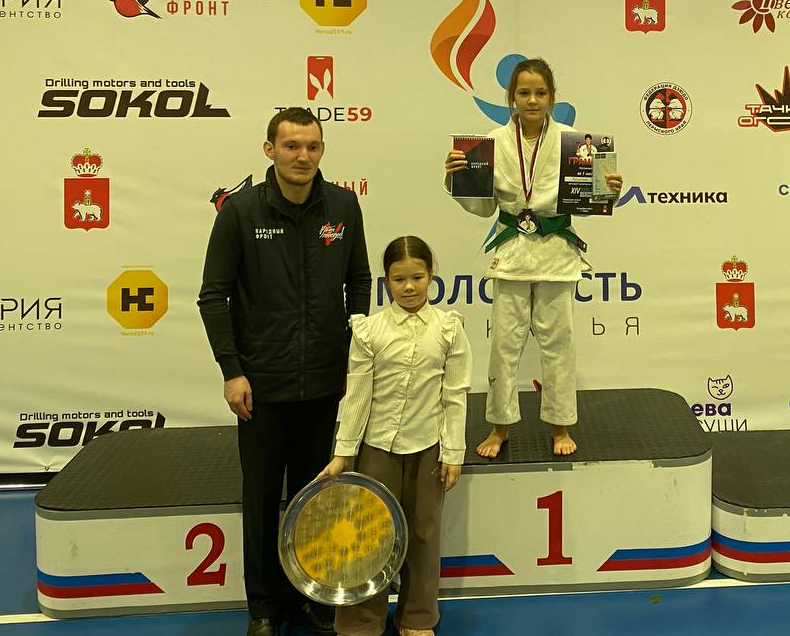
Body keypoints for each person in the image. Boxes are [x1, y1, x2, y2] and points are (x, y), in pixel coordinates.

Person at [198, 107, 371, 636]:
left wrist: (354, 353)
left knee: (316, 497)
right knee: (261, 500)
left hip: (323, 383)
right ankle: (264, 608)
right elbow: (213, 296)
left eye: (312, 146)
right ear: (269, 149)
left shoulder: (343, 205)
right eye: (292, 146)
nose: (302, 156)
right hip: (261, 386)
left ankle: (315, 598)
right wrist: (232, 370)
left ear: (322, 150)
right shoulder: (240, 211)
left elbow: (360, 281)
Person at [444, 58, 621, 458]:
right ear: (512, 97)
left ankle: (560, 425)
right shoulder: (492, 142)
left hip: (556, 254)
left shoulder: (576, 143)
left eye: (540, 93)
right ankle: (499, 427)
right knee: (504, 346)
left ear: (552, 97)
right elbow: (483, 207)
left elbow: (590, 200)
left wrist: (608, 189)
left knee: (560, 345)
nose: (532, 100)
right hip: (512, 253)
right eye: (524, 93)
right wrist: (456, 176)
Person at [320, 235, 471, 636]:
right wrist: (343, 453)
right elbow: (357, 394)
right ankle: (360, 622)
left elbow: (455, 395)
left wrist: (453, 453)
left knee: (424, 533)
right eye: (399, 279)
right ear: (386, 281)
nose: (408, 287)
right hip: (377, 449)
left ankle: (417, 617)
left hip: (429, 450)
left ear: (431, 276)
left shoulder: (449, 329)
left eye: (417, 277)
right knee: (368, 534)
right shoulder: (370, 330)